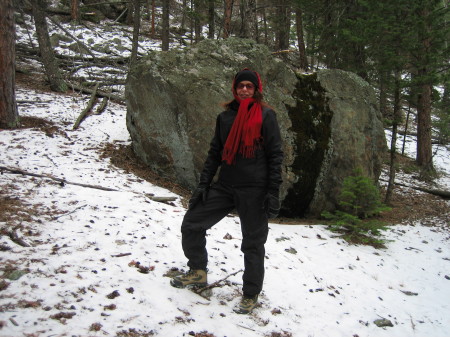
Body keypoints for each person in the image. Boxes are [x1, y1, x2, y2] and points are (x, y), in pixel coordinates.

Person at [170, 68, 283, 315]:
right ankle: (198, 271)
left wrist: (272, 191)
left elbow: (275, 155)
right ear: (234, 89)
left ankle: (251, 294)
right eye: (240, 85)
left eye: (249, 86)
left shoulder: (266, 116)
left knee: (253, 244)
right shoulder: (225, 118)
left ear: (256, 90)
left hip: (254, 189)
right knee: (192, 223)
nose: (244, 89)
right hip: (225, 185)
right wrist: (203, 185)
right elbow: (215, 153)